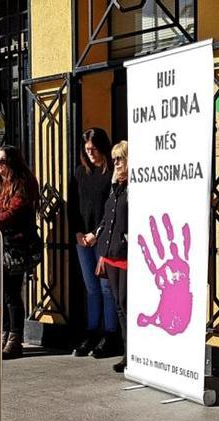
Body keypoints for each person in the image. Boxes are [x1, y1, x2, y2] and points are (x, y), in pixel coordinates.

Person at [0, 145, 40, 359]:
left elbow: (14, 213)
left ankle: (15, 340)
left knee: (12, 294)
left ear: (13, 163)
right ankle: (3, 337)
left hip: (17, 247)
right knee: (2, 294)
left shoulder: (22, 184)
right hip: (1, 245)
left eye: (3, 161)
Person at [69, 128, 121, 358]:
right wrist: (78, 232)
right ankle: (92, 332)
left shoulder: (111, 174)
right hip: (83, 239)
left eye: (95, 149)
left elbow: (111, 209)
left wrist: (96, 234)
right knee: (91, 288)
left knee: (106, 288)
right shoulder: (80, 173)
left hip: (103, 238)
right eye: (87, 150)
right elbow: (72, 205)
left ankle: (110, 335)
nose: (91, 153)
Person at [84, 140, 129, 373]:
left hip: (126, 253)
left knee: (124, 302)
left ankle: (131, 351)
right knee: (119, 305)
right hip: (110, 252)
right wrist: (96, 237)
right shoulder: (115, 186)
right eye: (115, 159)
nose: (116, 163)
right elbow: (106, 218)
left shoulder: (134, 187)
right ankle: (126, 352)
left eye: (120, 158)